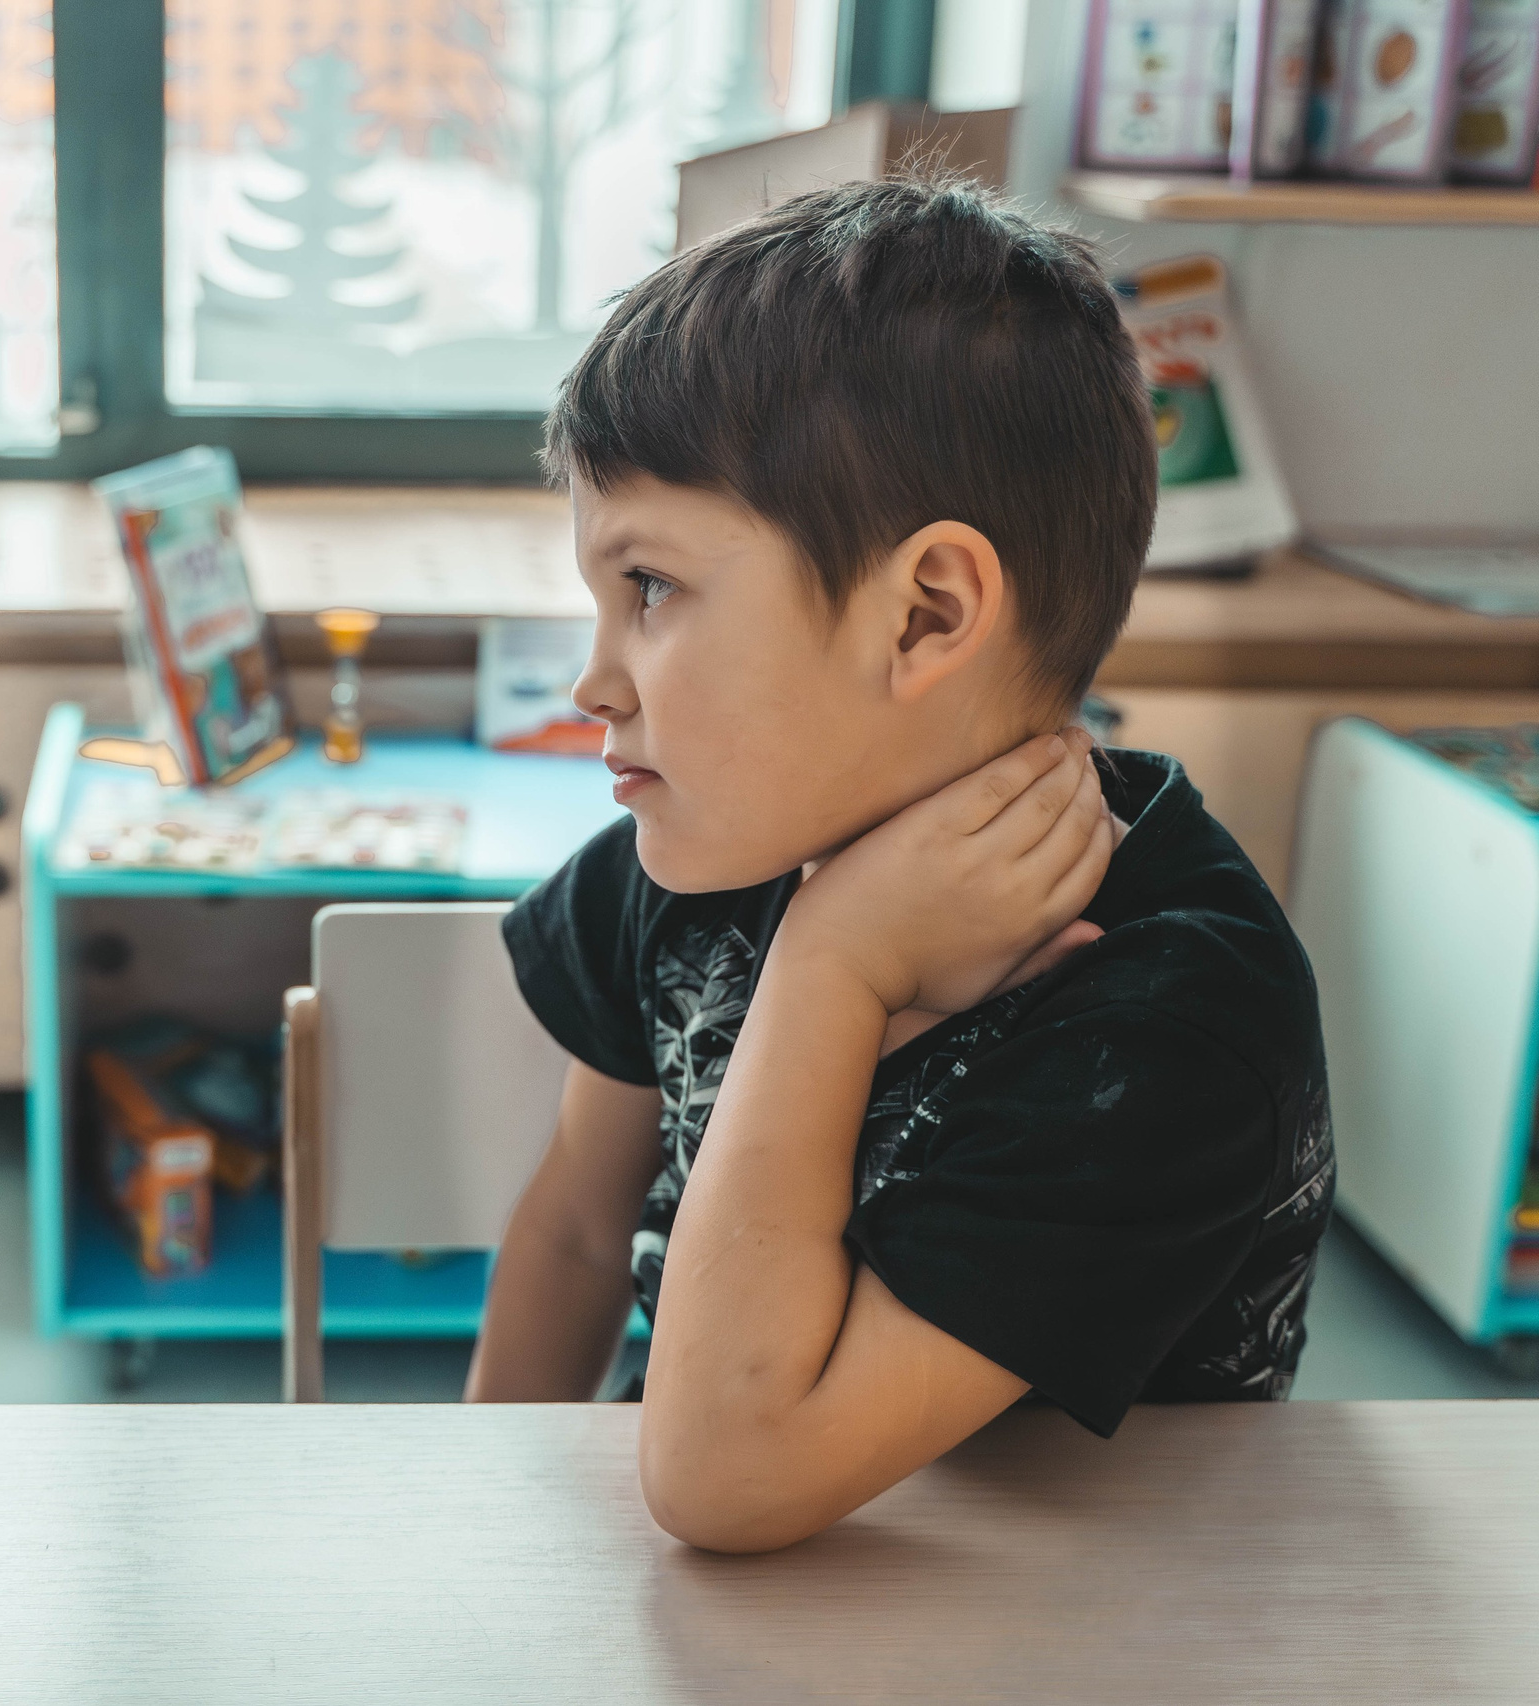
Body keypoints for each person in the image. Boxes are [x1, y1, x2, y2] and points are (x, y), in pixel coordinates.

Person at [464, 176, 1334, 1553]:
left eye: (651, 589)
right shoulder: (693, 848)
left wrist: (836, 962)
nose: (593, 681)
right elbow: (579, 1233)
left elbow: (727, 1479)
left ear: (927, 614)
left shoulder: (1174, 1017)